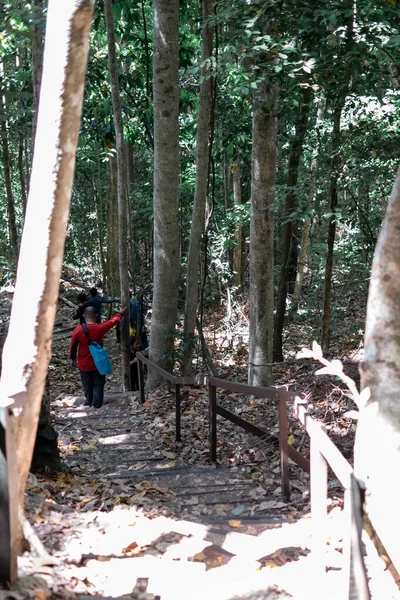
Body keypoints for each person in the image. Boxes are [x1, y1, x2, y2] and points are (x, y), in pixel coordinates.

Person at [70, 305, 129, 408]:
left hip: (83, 362)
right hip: (99, 362)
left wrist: (73, 359)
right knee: (99, 382)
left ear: (84, 316)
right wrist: (121, 313)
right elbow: (112, 322)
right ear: (96, 315)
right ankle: (96, 405)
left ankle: (89, 401)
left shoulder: (78, 330)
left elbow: (73, 345)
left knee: (86, 383)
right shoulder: (100, 328)